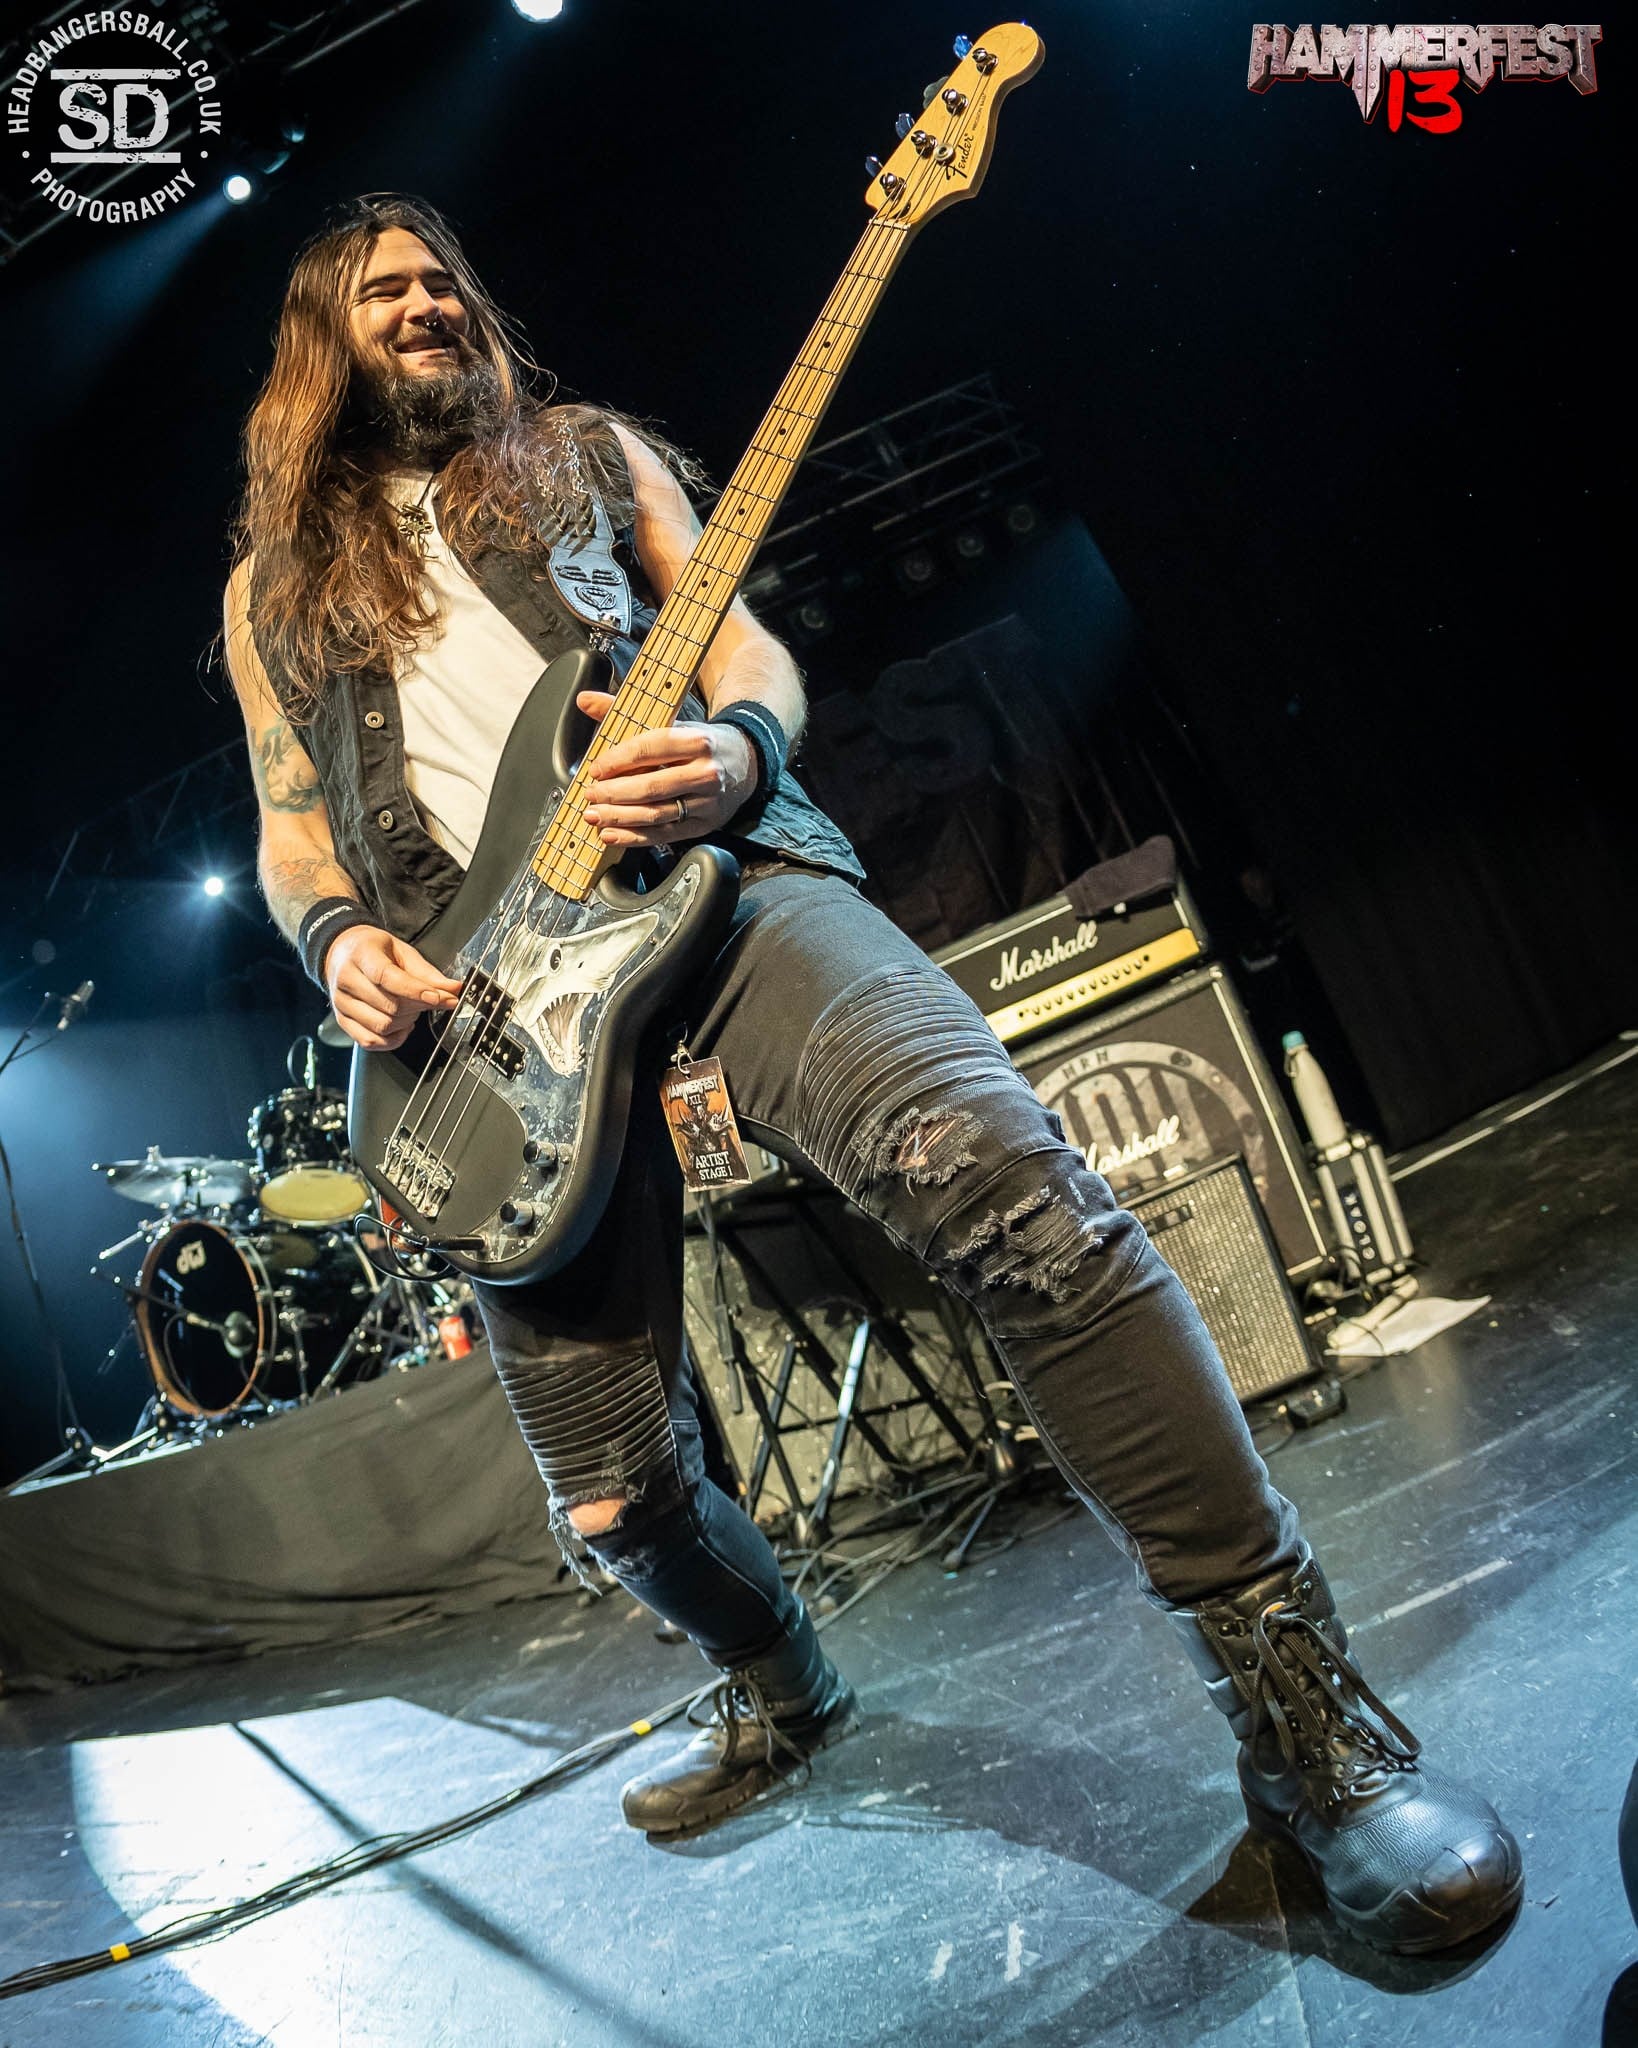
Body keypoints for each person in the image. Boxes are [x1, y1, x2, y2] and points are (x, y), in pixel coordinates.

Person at [223, 194, 1520, 1954]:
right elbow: (294, 827)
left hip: (716, 884)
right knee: (613, 1500)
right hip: (489, 1023)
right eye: (383, 288)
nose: (427, 300)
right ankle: (784, 1686)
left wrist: (736, 748)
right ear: (320, 337)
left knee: (1018, 1198)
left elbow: (741, 640)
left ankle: (1308, 1730)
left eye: (444, 277)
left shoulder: (582, 456)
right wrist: (332, 941)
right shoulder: (274, 591)